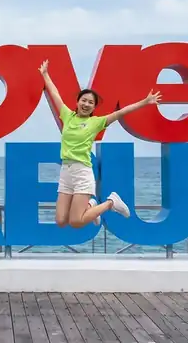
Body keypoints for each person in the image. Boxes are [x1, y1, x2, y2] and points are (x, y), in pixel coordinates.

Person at [38, 59, 162, 229]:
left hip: (82, 172)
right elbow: (55, 94)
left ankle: (111, 202)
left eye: (91, 102)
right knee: (60, 221)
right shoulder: (67, 115)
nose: (86, 104)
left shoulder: (96, 122)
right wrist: (45, 74)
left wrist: (145, 102)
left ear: (94, 107)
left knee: (76, 222)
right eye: (84, 100)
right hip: (65, 172)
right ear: (78, 102)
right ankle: (90, 206)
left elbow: (121, 112)